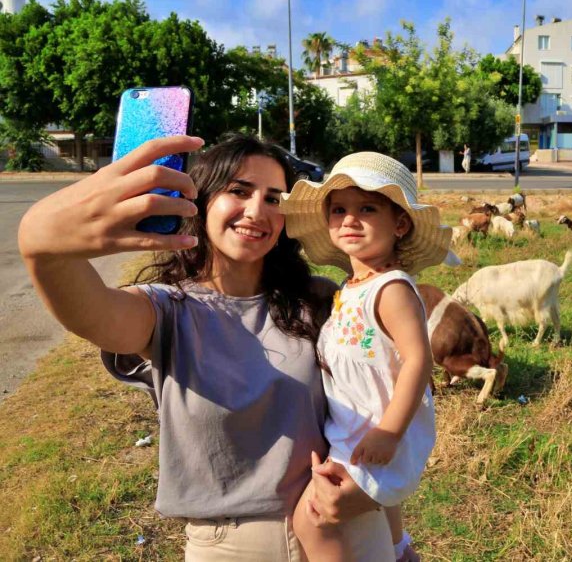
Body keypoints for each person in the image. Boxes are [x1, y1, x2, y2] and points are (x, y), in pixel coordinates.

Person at [17, 134, 393, 561]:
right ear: (202, 200)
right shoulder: (166, 310)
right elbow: (92, 314)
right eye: (239, 191)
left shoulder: (322, 299)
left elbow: (381, 401)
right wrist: (41, 242)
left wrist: (391, 526)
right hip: (233, 548)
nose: (257, 211)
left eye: (273, 199)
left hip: (353, 531)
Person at [280, 152, 452, 562]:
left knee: (312, 519)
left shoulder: (392, 289)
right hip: (353, 427)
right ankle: (399, 550)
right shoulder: (350, 286)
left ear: (400, 224)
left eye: (367, 209)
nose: (350, 220)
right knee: (371, 513)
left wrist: (389, 432)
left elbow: (418, 360)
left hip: (378, 429)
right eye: (338, 209)